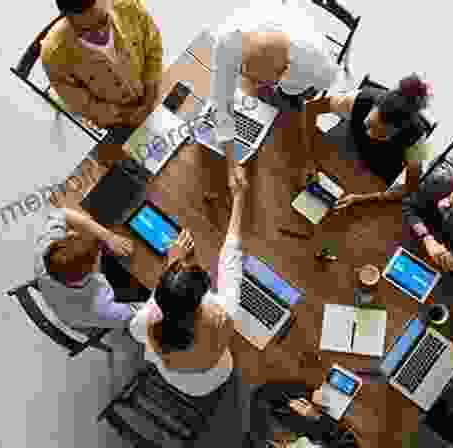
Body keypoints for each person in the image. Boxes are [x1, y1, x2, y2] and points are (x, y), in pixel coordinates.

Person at [128, 166, 248, 401]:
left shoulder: (145, 323)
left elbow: (153, 310)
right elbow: (230, 256)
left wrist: (172, 266)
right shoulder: (222, 315)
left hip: (176, 378)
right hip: (214, 376)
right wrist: (239, 196)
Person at [201, 2, 339, 191]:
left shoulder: (318, 68)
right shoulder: (227, 40)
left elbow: (313, 105)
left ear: (284, 72)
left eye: (261, 81)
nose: (254, 85)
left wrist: (306, 157)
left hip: (299, 86)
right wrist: (231, 163)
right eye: (246, 73)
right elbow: (221, 103)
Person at [302, 73, 434, 208]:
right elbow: (310, 109)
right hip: (345, 150)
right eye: (368, 124)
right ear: (374, 106)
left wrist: (363, 199)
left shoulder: (419, 139)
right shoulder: (359, 98)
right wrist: (308, 158)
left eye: (381, 135)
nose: (369, 134)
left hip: (375, 175)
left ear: (399, 131)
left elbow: (410, 187)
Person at [42, 0, 163, 136]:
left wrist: (150, 98)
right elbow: (83, 105)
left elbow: (153, 47)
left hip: (153, 92)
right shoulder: (53, 54)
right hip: (115, 123)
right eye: (87, 30)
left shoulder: (129, 6)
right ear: (68, 17)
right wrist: (126, 115)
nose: (100, 32)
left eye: (103, 21)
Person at [35, 202, 138, 330]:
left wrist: (108, 236)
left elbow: (62, 213)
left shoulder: (45, 252)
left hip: (59, 295)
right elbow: (139, 317)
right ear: (94, 268)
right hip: (82, 313)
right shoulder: (101, 309)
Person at [244, 382, 359, 448]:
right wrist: (318, 418)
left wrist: (308, 395)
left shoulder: (259, 436)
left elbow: (263, 394)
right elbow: (349, 443)